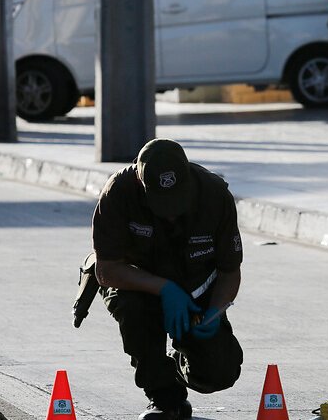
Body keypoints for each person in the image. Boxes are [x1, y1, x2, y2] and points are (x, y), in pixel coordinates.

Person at [93, 139, 244, 420]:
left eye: (178, 203)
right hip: (136, 285)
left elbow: (230, 271)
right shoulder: (118, 193)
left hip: (198, 288)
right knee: (135, 312)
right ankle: (164, 397)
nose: (172, 214)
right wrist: (165, 289)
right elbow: (107, 270)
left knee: (219, 370)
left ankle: (177, 366)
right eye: (163, 205)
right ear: (141, 185)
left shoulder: (213, 194)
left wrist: (214, 312)